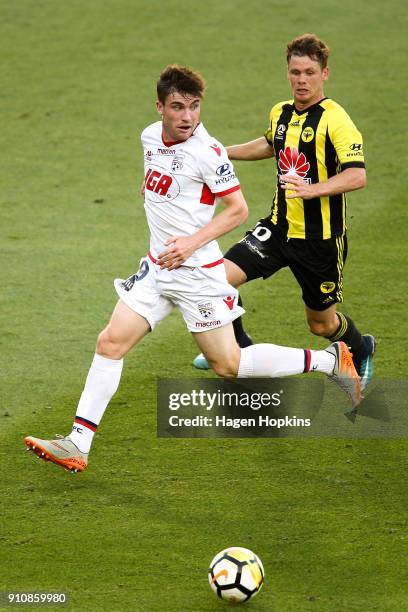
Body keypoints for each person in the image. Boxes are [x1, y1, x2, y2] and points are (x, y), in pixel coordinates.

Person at [25, 64, 361, 473]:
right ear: (160, 108)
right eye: (178, 107)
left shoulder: (208, 152)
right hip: (157, 270)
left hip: (197, 275)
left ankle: (331, 360)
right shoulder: (149, 137)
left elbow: (237, 210)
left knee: (229, 367)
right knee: (110, 343)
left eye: (195, 107)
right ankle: (78, 443)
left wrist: (189, 243)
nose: (188, 117)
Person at [193, 34, 376, 390]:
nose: (301, 80)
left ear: (325, 74)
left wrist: (313, 189)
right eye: (295, 72)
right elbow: (269, 143)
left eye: (309, 72)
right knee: (215, 279)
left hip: (319, 241)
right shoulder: (282, 111)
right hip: (277, 230)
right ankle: (237, 349)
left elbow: (358, 174)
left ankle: (360, 348)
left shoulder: (337, 121)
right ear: (288, 73)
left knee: (321, 325)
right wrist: (219, 152)